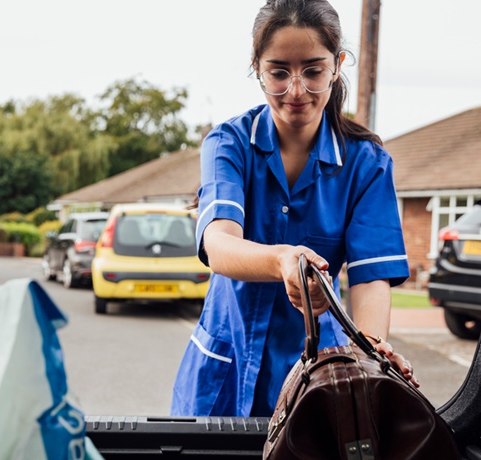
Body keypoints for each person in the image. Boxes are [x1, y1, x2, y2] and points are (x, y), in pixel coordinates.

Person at [171, 0, 416, 418]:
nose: (297, 90)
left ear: (337, 66)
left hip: (317, 378)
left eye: (314, 71)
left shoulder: (368, 164)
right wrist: (283, 258)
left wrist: (370, 353)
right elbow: (218, 243)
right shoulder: (227, 144)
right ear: (257, 68)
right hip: (222, 372)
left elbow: (371, 276)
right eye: (279, 72)